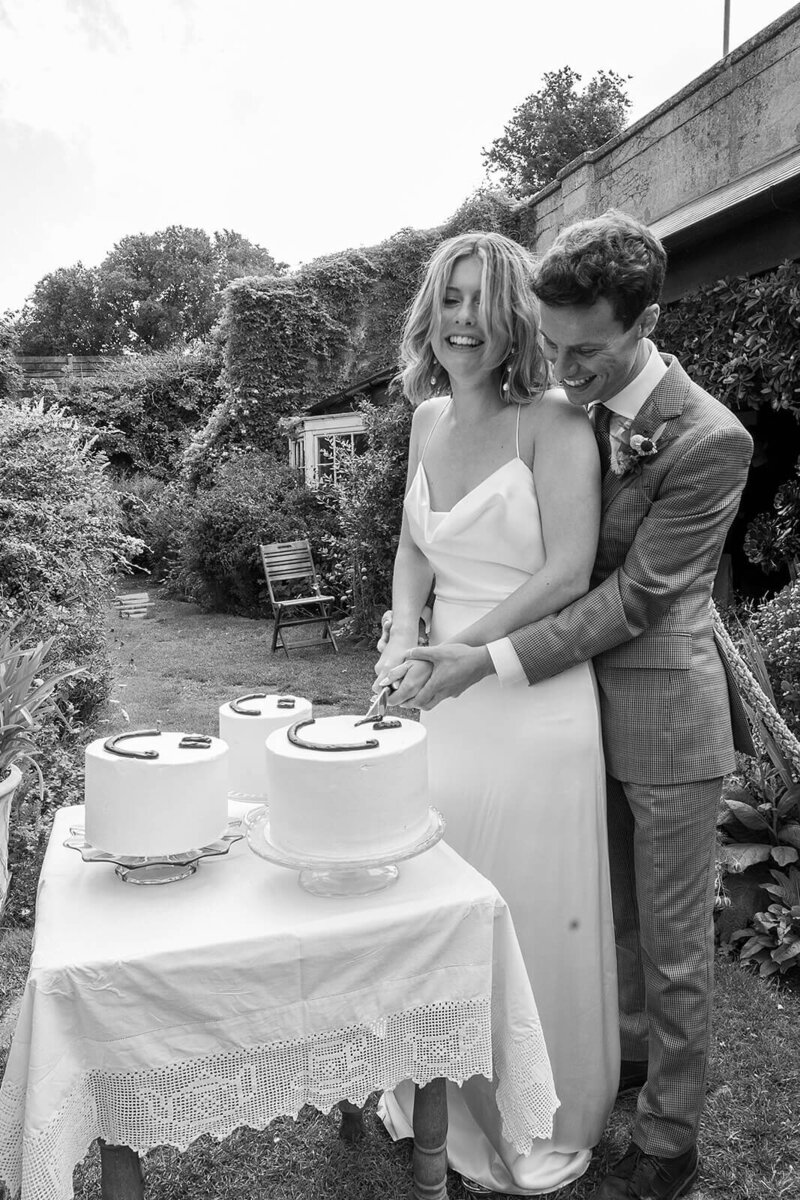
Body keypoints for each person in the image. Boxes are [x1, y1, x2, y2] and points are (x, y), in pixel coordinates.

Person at [384, 211, 754, 1200]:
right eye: (551, 344)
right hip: (560, 709)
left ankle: (669, 1143)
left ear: (644, 320)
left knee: (673, 948)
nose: (562, 364)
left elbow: (632, 599)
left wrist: (475, 656)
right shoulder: (568, 412)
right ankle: (611, 1067)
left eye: (582, 349)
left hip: (660, 714)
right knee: (597, 920)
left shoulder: (709, 437)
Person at [374, 230, 620, 1195]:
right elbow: (413, 550)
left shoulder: (554, 423)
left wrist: (472, 654)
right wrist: (403, 637)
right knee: (440, 900)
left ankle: (532, 1111)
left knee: (523, 903)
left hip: (529, 694)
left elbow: (566, 571)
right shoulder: (427, 419)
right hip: (442, 691)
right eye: (449, 298)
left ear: (515, 313)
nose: (463, 319)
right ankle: (440, 1090)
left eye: (481, 300)